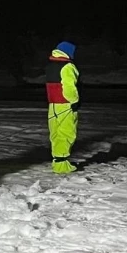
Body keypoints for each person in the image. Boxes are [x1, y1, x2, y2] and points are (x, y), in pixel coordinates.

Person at [46, 41, 80, 174]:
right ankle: (62, 165)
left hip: (52, 104)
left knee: (55, 133)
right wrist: (74, 101)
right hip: (65, 104)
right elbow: (69, 87)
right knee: (66, 133)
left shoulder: (51, 65)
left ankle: (57, 161)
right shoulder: (68, 66)